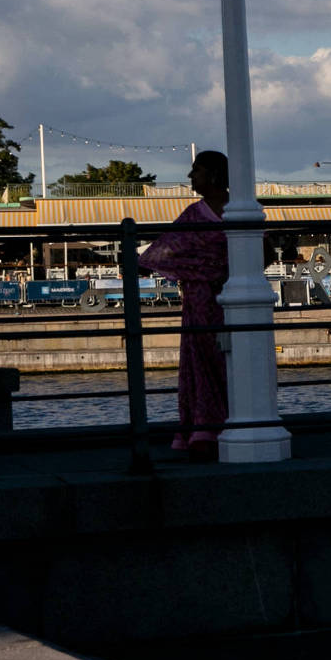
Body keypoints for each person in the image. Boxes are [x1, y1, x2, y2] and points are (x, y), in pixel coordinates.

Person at [143, 150, 231, 461]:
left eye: (197, 171)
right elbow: (166, 248)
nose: (191, 177)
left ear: (213, 175)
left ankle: (210, 429)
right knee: (203, 361)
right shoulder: (196, 214)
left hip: (221, 297)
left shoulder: (231, 211)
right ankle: (208, 427)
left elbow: (164, 251)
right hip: (203, 298)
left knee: (221, 361)